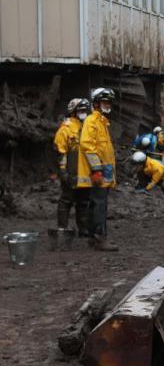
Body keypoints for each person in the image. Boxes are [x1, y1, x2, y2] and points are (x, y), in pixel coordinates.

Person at [77, 88, 118, 251]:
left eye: (109, 102)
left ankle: (95, 237)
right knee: (99, 204)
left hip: (104, 169)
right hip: (98, 169)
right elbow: (87, 145)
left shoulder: (102, 121)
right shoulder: (91, 121)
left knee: (98, 203)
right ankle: (99, 238)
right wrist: (96, 169)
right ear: (96, 104)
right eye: (104, 102)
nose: (108, 105)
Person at [53, 98, 91, 236]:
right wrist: (63, 170)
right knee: (67, 199)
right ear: (73, 111)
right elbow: (60, 150)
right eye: (81, 110)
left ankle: (83, 229)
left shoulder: (87, 126)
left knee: (84, 201)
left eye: (85, 110)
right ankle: (62, 229)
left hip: (86, 170)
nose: (84, 113)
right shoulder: (66, 128)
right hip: (71, 169)